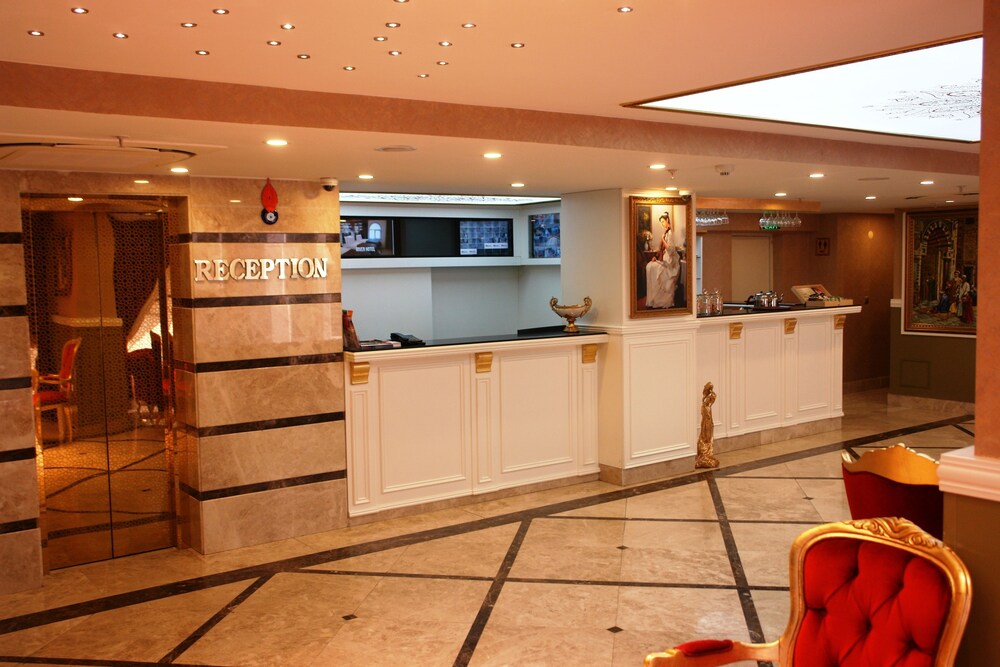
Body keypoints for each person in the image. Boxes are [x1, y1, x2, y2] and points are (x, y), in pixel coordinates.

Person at [644, 212, 681, 308]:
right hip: (666, 258)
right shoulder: (666, 233)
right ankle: (653, 299)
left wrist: (663, 239)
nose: (662, 224)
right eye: (661, 222)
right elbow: (661, 250)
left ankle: (661, 301)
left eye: (663, 221)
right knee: (649, 266)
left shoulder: (670, 233)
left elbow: (670, 250)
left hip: (671, 261)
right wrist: (656, 257)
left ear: (667, 220)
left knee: (652, 267)